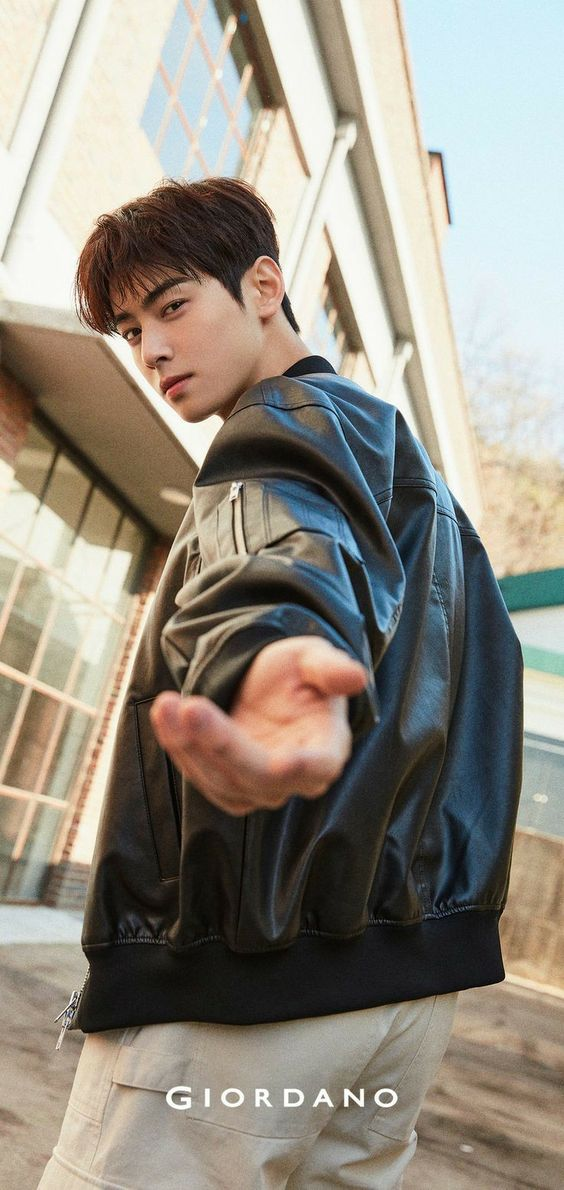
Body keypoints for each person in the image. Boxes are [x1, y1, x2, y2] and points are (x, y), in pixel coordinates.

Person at [38, 176, 523, 1190]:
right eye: (129, 329)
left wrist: (264, 676)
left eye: (172, 306)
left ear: (264, 284)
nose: (153, 348)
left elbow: (277, 570)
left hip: (249, 995)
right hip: (403, 1006)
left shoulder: (280, 434)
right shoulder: (420, 488)